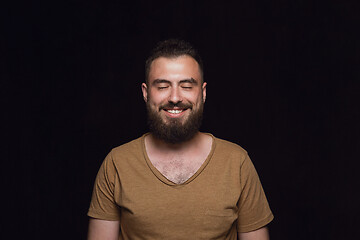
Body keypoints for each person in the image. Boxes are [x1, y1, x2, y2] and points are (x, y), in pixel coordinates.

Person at [87, 39, 274, 240]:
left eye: (186, 86)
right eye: (162, 86)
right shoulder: (117, 163)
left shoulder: (237, 162)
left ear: (202, 93)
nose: (175, 97)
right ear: (145, 93)